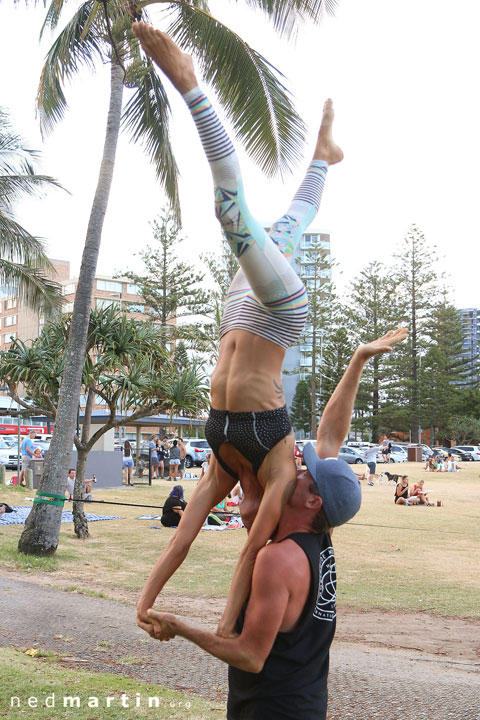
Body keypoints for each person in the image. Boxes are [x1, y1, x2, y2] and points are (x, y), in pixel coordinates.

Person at [132, 22, 408, 640]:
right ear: (285, 509)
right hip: (281, 313)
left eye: (244, 511)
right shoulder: (283, 471)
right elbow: (247, 556)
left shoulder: (224, 468)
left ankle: (322, 159)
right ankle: (190, 85)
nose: (242, 511)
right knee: (232, 212)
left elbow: (186, 535)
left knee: (282, 221)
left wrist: (146, 601)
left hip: (237, 313)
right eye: (251, 513)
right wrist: (225, 628)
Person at [145, 433, 362, 720]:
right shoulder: (323, 540)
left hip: (271, 710)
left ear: (313, 502)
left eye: (304, 474)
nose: (294, 472)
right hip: (306, 707)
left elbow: (251, 656)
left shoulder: (278, 559)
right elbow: (333, 428)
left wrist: (180, 627)